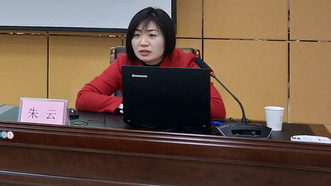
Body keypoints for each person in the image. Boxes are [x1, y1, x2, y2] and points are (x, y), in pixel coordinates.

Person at [75, 7, 226, 119]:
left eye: (152, 35)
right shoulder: (124, 62)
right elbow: (83, 98)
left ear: (167, 39)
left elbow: (217, 109)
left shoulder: (186, 63)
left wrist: (157, 107)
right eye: (136, 35)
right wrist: (126, 105)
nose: (143, 42)